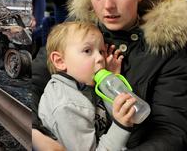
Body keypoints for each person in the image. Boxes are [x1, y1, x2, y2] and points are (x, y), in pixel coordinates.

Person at [32, 0, 187, 150]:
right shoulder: (76, 28)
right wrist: (38, 136)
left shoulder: (169, 45)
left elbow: (169, 134)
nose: (108, 5)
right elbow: (33, 83)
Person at [38, 21, 136, 151]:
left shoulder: (84, 82)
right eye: (87, 50)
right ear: (60, 61)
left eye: (101, 51)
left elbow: (110, 114)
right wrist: (121, 127)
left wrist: (111, 82)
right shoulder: (67, 106)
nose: (100, 58)